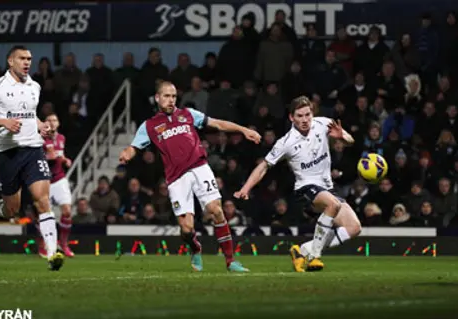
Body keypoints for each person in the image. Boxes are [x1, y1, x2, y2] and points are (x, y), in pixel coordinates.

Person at [119, 81, 260, 272]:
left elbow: (217, 123)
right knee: (186, 228)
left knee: (216, 210)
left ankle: (230, 261)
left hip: (199, 167)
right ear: (158, 98)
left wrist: (244, 130)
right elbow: (134, 146)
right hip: (176, 178)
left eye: (174, 96)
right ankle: (195, 248)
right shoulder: (150, 126)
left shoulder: (188, 114)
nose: (171, 100)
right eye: (167, 96)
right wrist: (127, 153)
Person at [234, 96, 362, 272]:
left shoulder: (323, 123)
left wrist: (342, 137)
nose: (304, 120)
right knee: (332, 204)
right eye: (300, 116)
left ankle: (304, 250)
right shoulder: (286, 142)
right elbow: (264, 166)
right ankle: (314, 256)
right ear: (291, 118)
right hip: (305, 188)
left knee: (354, 228)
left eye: (307, 115)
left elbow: (350, 140)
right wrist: (245, 188)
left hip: (326, 187)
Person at [0, 45, 64, 271]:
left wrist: (42, 126)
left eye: (29, 59)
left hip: (33, 149)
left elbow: (30, 115)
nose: (27, 62)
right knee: (11, 209)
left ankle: (53, 254)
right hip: (8, 153)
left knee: (42, 200)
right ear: (10, 61)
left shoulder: (34, 86)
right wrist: (3, 122)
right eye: (22, 58)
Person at [35, 113, 74, 258]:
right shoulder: (38, 138)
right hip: (43, 180)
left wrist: (65, 160)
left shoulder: (61, 138)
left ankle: (63, 244)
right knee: (44, 215)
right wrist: (46, 157)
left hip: (59, 179)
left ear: (58, 123)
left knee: (67, 212)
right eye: (49, 120)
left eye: (54, 120)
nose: (52, 122)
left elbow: (58, 155)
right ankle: (43, 246)